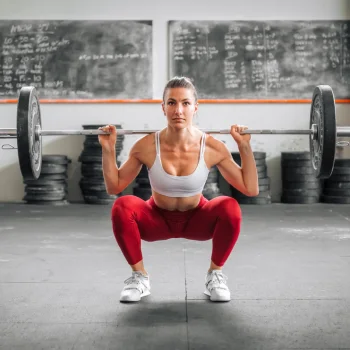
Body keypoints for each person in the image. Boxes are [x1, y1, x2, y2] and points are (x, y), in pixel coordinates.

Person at [98, 76, 259, 303]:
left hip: (197, 220)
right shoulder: (145, 146)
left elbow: (250, 189)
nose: (178, 110)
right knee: (122, 206)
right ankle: (139, 277)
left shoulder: (212, 146)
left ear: (195, 107)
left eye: (185, 103)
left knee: (230, 207)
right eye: (172, 103)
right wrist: (108, 150)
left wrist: (244, 147)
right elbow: (114, 186)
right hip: (156, 221)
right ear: (163, 108)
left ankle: (215, 275)